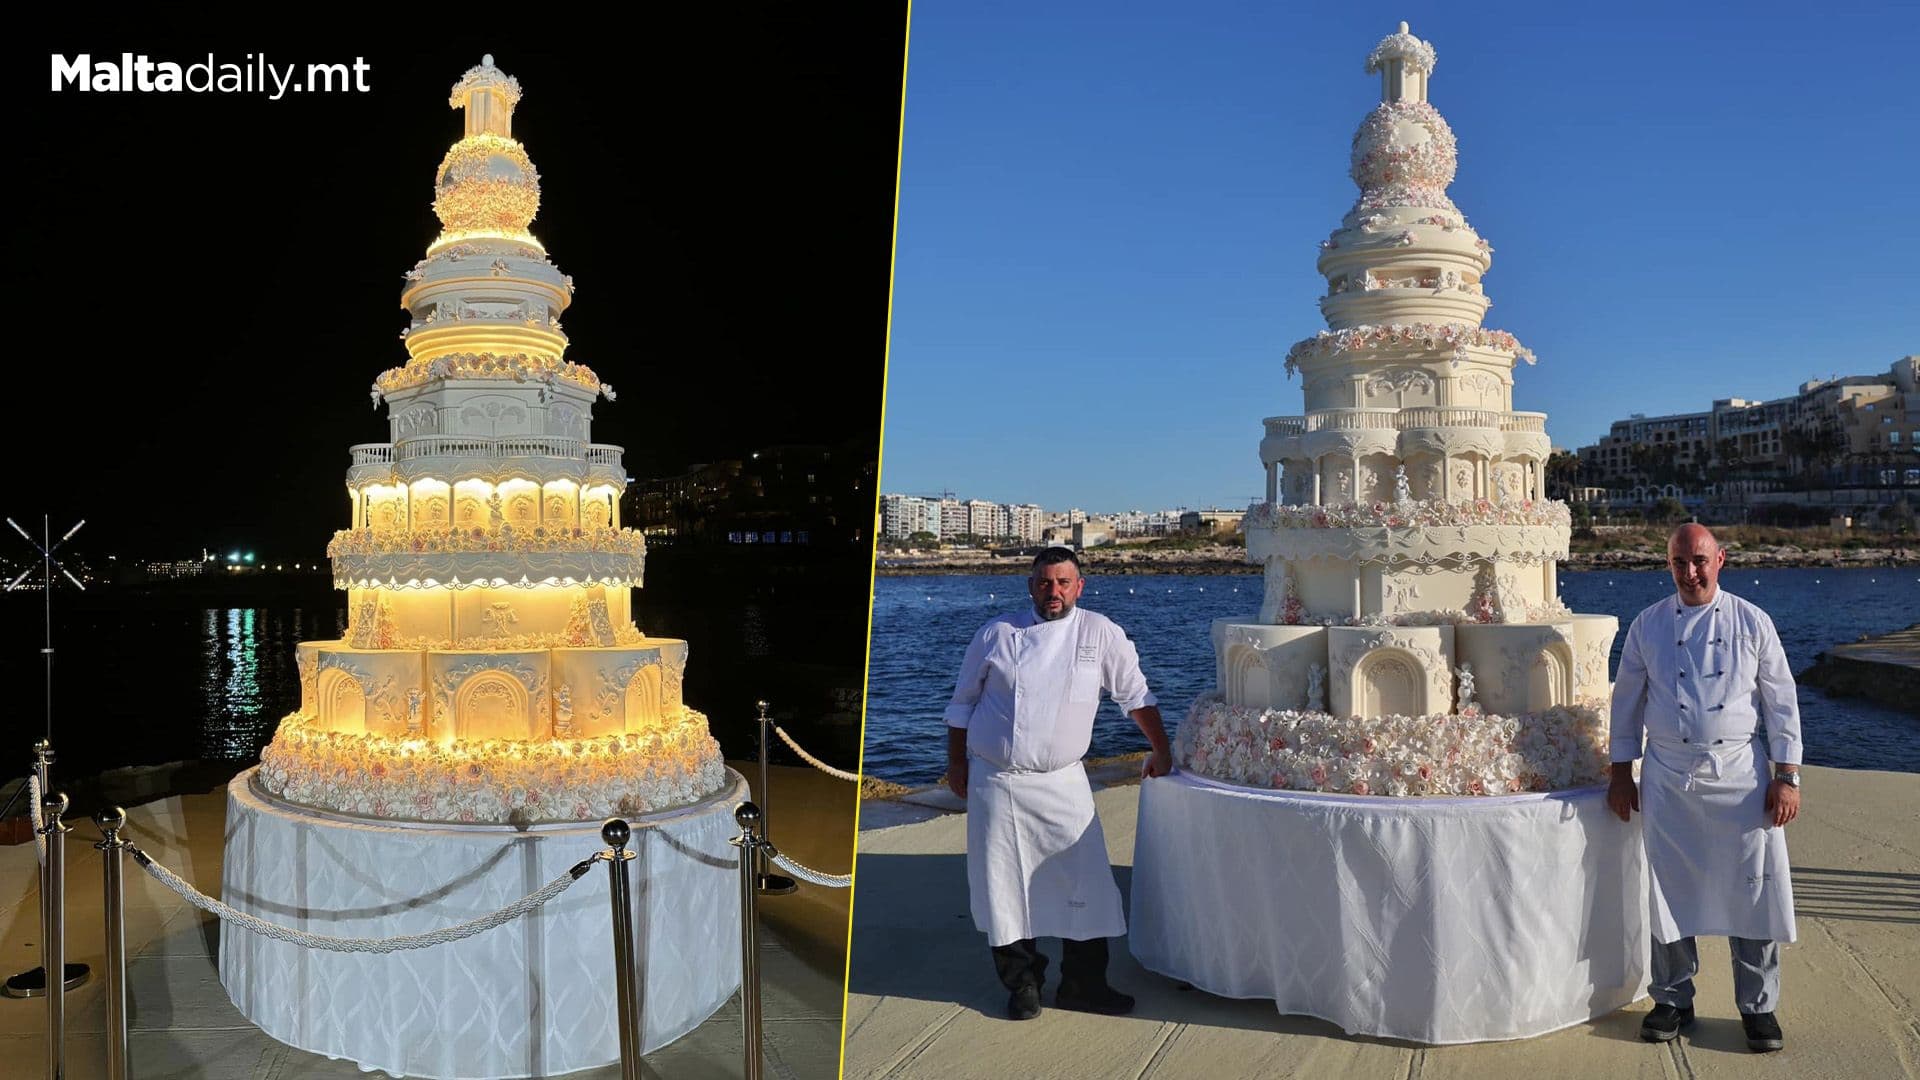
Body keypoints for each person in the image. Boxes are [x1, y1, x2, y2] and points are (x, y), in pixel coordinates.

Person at [943, 546, 1172, 1021]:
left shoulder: (1100, 632)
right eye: (1045, 582)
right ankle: (1022, 985)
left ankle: (1083, 985)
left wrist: (1161, 749)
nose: (1054, 592)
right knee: (1004, 889)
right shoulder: (997, 634)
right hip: (998, 781)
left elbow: (1135, 695)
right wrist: (957, 766)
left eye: (1064, 583)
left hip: (1064, 781)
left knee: (1086, 885)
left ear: (1079, 587)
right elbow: (962, 704)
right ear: (1031, 585)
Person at [1608, 523, 1801, 1053]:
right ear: (1668, 566)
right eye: (1678, 563)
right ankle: (1672, 999)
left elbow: (1781, 703)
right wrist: (1622, 772)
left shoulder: (1753, 621)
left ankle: (1759, 1007)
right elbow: (1625, 703)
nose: (1689, 573)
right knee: (1667, 894)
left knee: (1753, 891)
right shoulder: (1647, 626)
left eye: (1698, 561)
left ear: (1721, 561)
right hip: (1669, 778)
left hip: (1740, 778)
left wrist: (1786, 777)